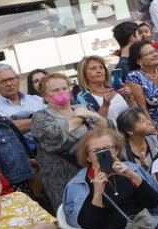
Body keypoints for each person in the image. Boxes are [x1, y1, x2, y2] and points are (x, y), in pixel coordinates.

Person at [30, 72, 108, 210]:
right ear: (44, 94)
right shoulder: (40, 117)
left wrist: (92, 115)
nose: (61, 92)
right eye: (55, 90)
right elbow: (56, 138)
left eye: (64, 88)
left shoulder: (81, 108)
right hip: (65, 180)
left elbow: (107, 129)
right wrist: (80, 118)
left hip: (97, 172)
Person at [123, 40, 158, 122]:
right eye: (149, 53)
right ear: (139, 61)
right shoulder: (134, 77)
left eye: (155, 51)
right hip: (154, 123)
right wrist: (153, 129)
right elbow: (142, 108)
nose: (155, 54)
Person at [0, 64, 44, 135]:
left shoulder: (37, 100)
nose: (9, 84)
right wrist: (44, 120)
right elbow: (7, 128)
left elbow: (55, 117)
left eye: (11, 79)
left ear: (17, 79)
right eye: (3, 81)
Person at [73, 55, 128, 124]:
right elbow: (95, 125)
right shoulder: (83, 97)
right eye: (93, 68)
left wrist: (130, 98)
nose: (99, 71)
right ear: (84, 74)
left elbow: (135, 112)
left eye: (101, 67)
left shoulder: (117, 89)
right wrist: (105, 105)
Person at [115, 107, 158, 174]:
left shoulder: (157, 140)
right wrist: (143, 169)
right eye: (142, 121)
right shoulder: (122, 152)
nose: (149, 122)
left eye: (147, 119)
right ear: (129, 131)